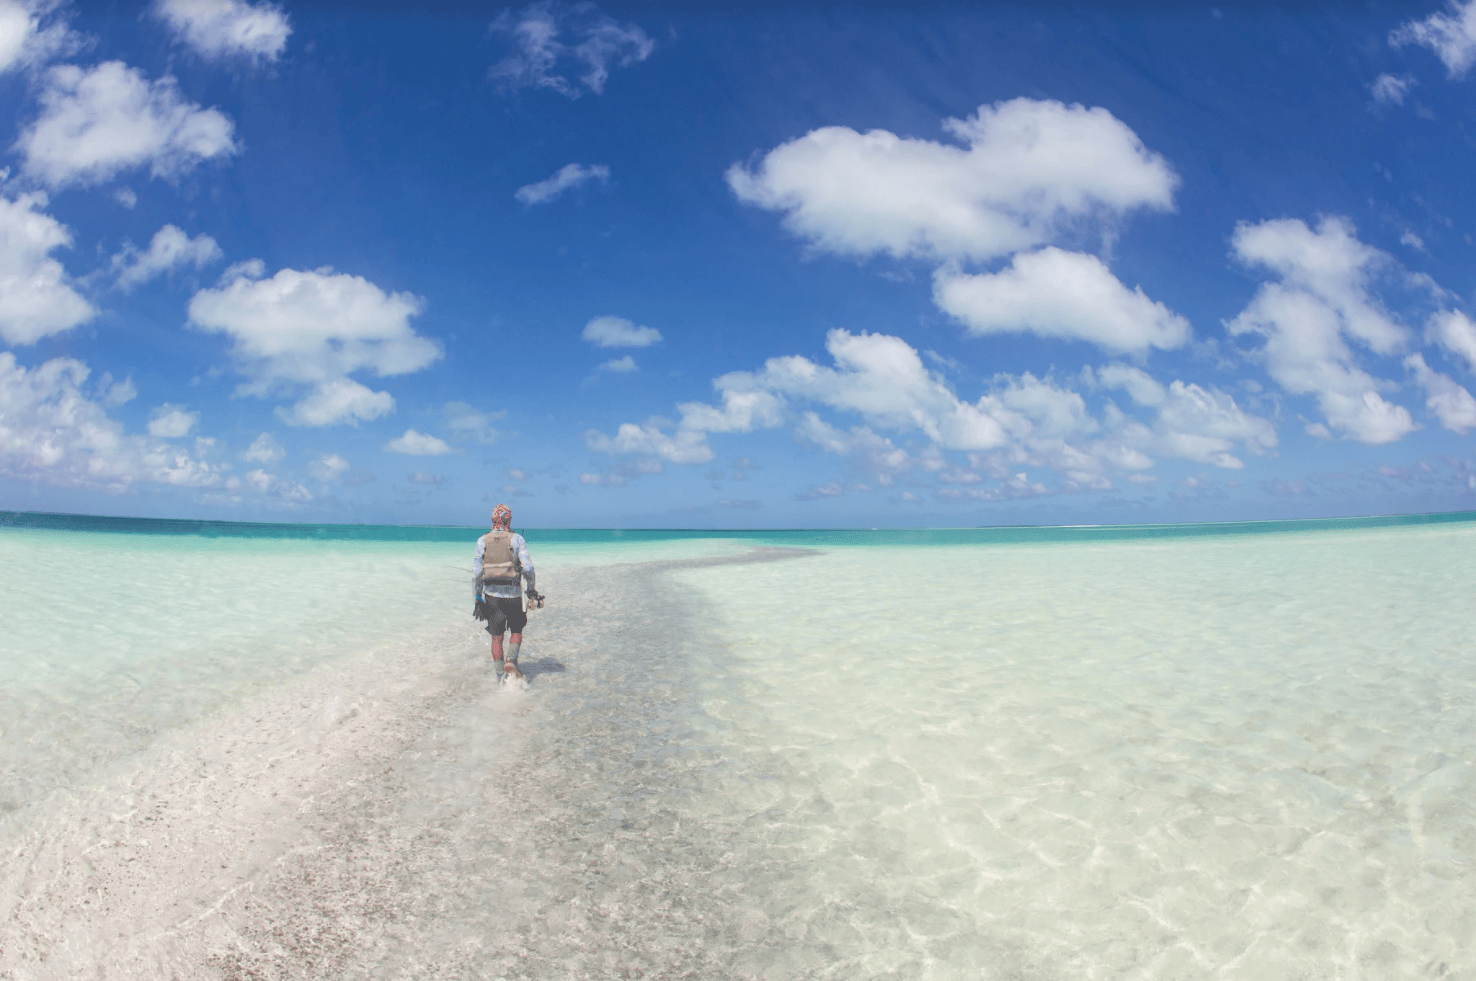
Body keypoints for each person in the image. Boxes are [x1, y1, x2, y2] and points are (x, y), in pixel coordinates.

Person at [473, 504, 542, 682]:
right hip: (513, 595)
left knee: (496, 637)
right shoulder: (517, 539)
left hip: (491, 596)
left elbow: (477, 573)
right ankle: (511, 661)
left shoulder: (482, 540)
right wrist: (531, 589)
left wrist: (477, 597)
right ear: (508, 519)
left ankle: (499, 678)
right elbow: (528, 568)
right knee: (516, 631)